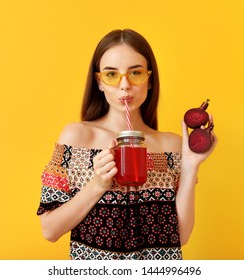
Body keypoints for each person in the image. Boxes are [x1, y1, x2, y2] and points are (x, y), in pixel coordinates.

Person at [36, 29, 217, 260]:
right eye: (112, 75)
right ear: (99, 82)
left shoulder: (172, 146)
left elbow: (180, 237)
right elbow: (49, 230)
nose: (125, 85)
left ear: (149, 80)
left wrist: (191, 165)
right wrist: (98, 184)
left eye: (136, 73)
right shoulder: (77, 138)